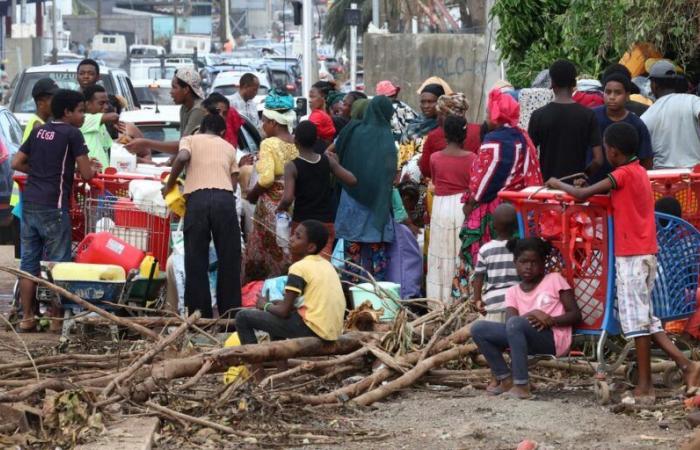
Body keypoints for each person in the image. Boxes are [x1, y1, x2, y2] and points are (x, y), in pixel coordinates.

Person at [545, 122, 700, 404]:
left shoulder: (621, 174)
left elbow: (581, 196)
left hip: (631, 255)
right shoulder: (639, 170)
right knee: (647, 319)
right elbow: (602, 193)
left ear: (613, 151)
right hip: (644, 252)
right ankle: (686, 365)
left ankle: (645, 387)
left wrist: (556, 183)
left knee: (637, 323)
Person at [11, 90, 96, 331]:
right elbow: (87, 173)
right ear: (67, 112)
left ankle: (27, 318)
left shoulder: (39, 130)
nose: (83, 115)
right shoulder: (72, 134)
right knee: (59, 264)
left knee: (29, 264)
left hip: (30, 205)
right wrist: (89, 171)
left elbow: (16, 163)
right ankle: (57, 320)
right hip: (54, 206)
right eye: (80, 110)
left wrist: (39, 173)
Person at [453, 88, 543, 301]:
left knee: (483, 257)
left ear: (496, 115)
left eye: (488, 113)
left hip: (493, 210)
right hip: (518, 208)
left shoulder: (494, 140)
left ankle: (477, 300)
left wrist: (471, 201)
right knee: (512, 258)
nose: (486, 118)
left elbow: (483, 181)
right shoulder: (521, 136)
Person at [471, 238, 581, 399]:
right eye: (523, 262)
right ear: (515, 262)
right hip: (522, 339)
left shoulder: (554, 279)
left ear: (543, 263)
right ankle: (505, 379)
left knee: (516, 324)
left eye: (534, 262)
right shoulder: (513, 292)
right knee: (478, 329)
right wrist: (533, 314)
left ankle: (522, 385)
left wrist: (552, 320)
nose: (528, 267)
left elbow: (575, 315)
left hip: (552, 339)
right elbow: (511, 324)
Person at [235, 220, 346, 377]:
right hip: (332, 331)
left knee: (242, 317)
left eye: (298, 236)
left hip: (313, 330)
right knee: (274, 319)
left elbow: (284, 312)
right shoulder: (326, 265)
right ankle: (281, 374)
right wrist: (277, 306)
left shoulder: (299, 268)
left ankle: (257, 376)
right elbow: (301, 304)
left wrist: (264, 305)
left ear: (311, 247)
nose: (292, 238)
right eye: (294, 234)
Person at [162, 114, 241, 319]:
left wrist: (169, 184)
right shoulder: (229, 147)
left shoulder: (189, 139)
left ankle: (199, 314)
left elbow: (182, 157)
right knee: (229, 258)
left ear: (201, 128)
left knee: (196, 259)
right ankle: (230, 315)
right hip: (224, 200)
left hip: (197, 200)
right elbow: (233, 183)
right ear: (222, 132)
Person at [335, 96, 397, 283]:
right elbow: (389, 171)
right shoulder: (387, 136)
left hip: (351, 197)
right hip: (377, 203)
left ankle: (350, 294)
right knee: (377, 255)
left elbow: (336, 151)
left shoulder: (352, 130)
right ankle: (377, 295)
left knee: (352, 254)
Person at [276, 121, 357, 258]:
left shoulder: (292, 166)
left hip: (302, 224)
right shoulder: (327, 161)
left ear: (295, 140)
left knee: (301, 267)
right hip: (325, 223)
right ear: (316, 140)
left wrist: (280, 208)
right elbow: (352, 180)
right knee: (322, 265)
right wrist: (335, 164)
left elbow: (288, 198)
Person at [243, 94, 298, 282]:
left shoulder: (269, 144)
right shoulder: (295, 141)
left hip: (271, 205)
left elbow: (266, 179)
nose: (262, 125)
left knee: (267, 251)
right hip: (292, 202)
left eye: (264, 121)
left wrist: (251, 195)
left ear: (274, 123)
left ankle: (262, 289)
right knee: (287, 247)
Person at [426, 115, 476, 303]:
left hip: (440, 208)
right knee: (460, 252)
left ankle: (438, 302)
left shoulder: (434, 158)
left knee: (440, 252)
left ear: (445, 134)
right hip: (462, 207)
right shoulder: (473, 158)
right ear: (465, 134)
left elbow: (435, 182)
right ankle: (460, 299)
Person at [528, 60, 603, 180]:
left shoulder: (538, 116)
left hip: (547, 189)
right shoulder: (588, 115)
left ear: (551, 83)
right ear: (574, 83)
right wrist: (583, 176)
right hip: (576, 190)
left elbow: (529, 156)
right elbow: (598, 160)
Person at [125, 68, 206, 156]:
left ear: (186, 89)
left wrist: (145, 143)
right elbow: (182, 145)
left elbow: (184, 145)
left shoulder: (198, 110)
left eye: (174, 87)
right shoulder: (184, 108)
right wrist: (169, 162)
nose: (171, 92)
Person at [590, 73, 653, 183]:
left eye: (617, 93)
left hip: (625, 185)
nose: (612, 97)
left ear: (627, 95)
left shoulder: (637, 124)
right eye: (608, 92)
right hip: (591, 184)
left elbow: (646, 161)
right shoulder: (591, 117)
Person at [641, 60, 700, 168]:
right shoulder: (692, 101)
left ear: (654, 85)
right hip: (694, 174)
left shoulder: (646, 116)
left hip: (662, 176)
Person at [472, 203, 520, 324]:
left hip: (494, 304)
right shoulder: (520, 247)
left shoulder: (485, 249)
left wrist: (477, 299)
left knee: (496, 337)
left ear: (493, 225)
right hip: (518, 302)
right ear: (516, 226)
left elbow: (479, 276)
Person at [418, 93, 481, 178]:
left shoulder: (435, 135)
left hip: (443, 187)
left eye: (439, 114)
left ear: (444, 114)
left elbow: (426, 170)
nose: (437, 118)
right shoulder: (479, 130)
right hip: (472, 184)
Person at [81, 84, 119, 169]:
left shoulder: (100, 124)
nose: (106, 107)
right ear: (87, 104)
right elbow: (114, 116)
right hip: (88, 179)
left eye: (107, 103)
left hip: (102, 177)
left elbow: (108, 147)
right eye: (101, 103)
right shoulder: (83, 119)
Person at [23, 78, 58, 143]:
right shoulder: (38, 126)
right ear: (41, 104)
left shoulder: (43, 123)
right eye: (54, 99)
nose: (57, 102)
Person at [308, 81, 336, 145]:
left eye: (313, 97)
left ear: (324, 97)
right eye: (310, 97)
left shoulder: (317, 116)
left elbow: (307, 135)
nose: (310, 101)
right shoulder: (330, 116)